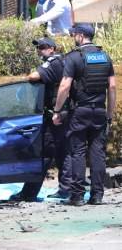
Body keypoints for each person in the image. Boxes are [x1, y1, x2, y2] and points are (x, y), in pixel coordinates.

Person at [52, 23, 116, 206]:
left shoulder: (73, 58)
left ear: (80, 36)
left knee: (77, 152)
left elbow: (64, 86)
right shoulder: (105, 56)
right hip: (99, 112)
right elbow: (111, 87)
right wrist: (109, 114)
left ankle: (77, 196)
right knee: (98, 153)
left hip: (79, 111)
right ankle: (97, 195)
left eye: (74, 34)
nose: (73, 37)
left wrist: (57, 110)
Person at [10, 37, 71, 201]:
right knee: (63, 153)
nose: (40, 50)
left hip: (54, 115)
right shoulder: (65, 62)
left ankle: (28, 193)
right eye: (38, 47)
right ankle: (66, 189)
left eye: (43, 47)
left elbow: (33, 77)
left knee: (43, 154)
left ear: (52, 49)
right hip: (64, 113)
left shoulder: (53, 62)